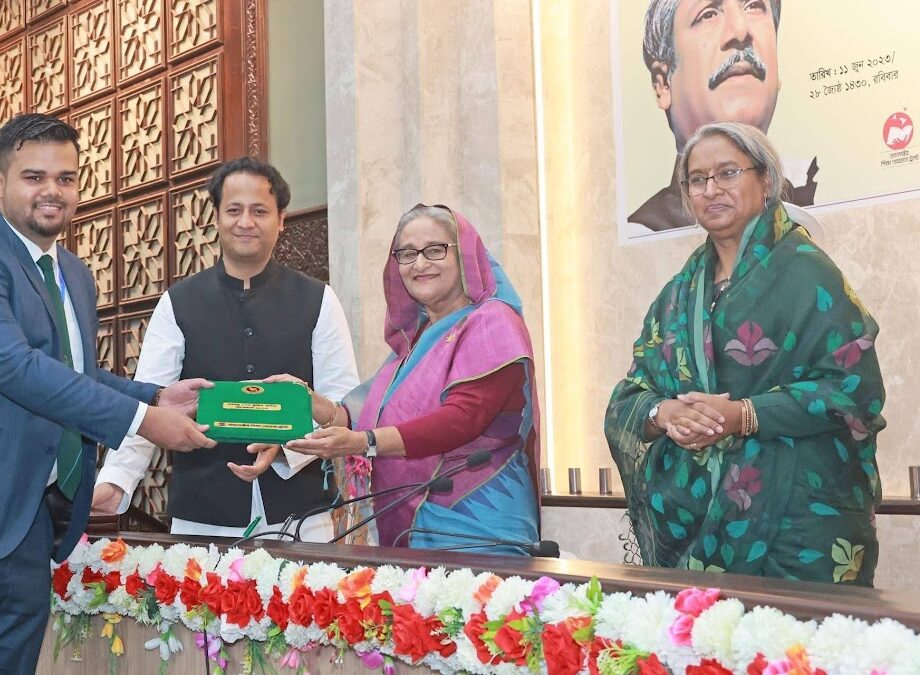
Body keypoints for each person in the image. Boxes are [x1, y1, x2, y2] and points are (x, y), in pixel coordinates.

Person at [0, 113, 214, 673]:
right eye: (34, 177)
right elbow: (15, 367)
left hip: (25, 525)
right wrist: (141, 420)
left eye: (66, 178)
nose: (53, 190)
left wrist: (156, 395)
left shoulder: (72, 272)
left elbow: (70, 370)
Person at [606, 122, 885, 585]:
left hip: (796, 525)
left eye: (728, 173)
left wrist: (744, 415)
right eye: (697, 179)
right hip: (694, 521)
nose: (711, 189)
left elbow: (852, 389)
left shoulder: (807, 274)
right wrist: (665, 412)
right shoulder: (678, 293)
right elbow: (628, 395)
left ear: (767, 181)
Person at [92, 157, 358, 541]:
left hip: (301, 518)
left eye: (260, 211)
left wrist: (287, 450)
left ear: (281, 219)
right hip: (201, 515)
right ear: (216, 217)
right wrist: (116, 482)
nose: (245, 222)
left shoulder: (318, 299)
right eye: (233, 210)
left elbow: (341, 407)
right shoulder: (178, 302)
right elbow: (152, 404)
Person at [281, 204, 541, 555]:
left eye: (435, 250)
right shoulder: (414, 345)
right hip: (410, 532)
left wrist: (363, 442)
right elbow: (362, 417)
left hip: (477, 524)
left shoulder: (492, 322)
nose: (420, 264)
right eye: (407, 254)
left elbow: (463, 418)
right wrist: (310, 402)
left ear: (464, 256)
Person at [629, 0, 819, 232]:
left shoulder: (812, 198)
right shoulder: (644, 232)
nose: (740, 31)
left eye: (753, 5)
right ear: (663, 84)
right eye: (708, 14)